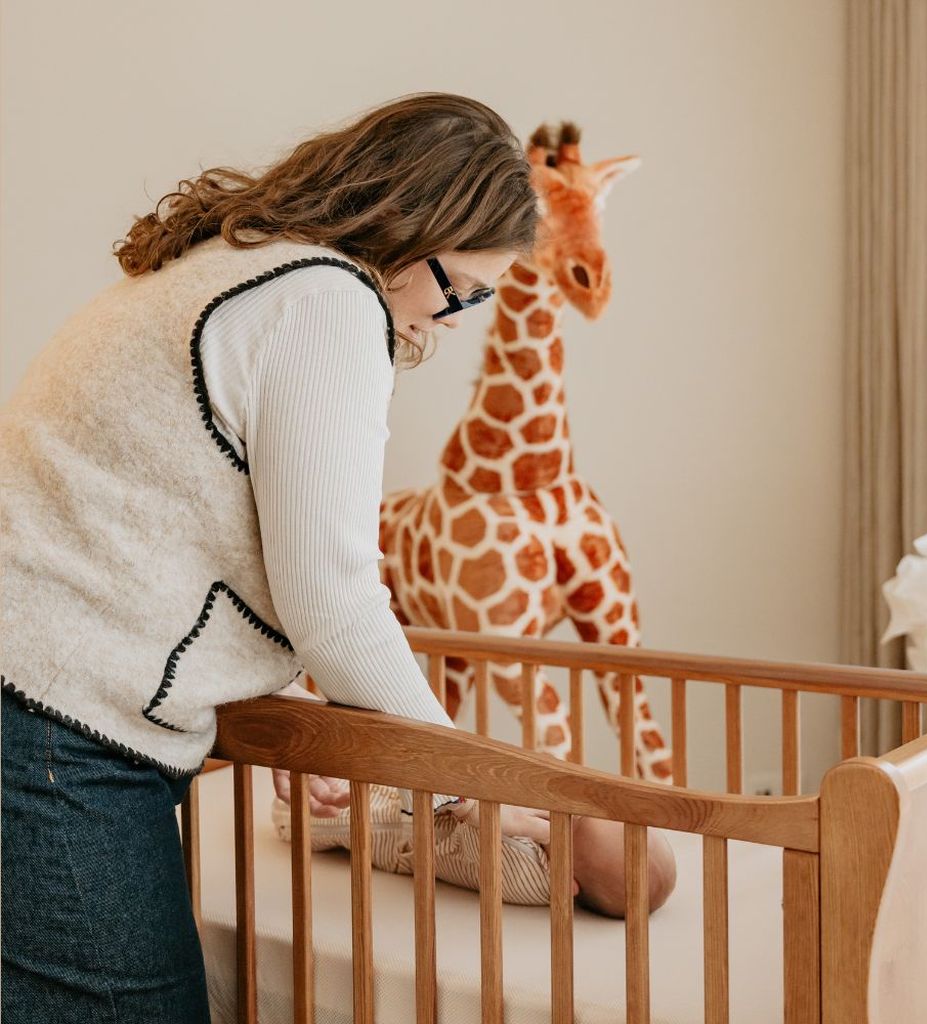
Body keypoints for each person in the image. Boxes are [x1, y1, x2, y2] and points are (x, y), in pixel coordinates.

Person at [0, 92, 545, 1024]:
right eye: (468, 289)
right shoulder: (328, 301)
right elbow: (330, 600)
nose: (458, 320)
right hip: (53, 724)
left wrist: (295, 708)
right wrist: (467, 778)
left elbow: (165, 537)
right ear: (421, 233)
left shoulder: (236, 264)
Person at [270, 681, 679, 918]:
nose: (565, 813)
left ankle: (293, 814)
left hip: (394, 834)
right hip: (419, 803)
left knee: (338, 810)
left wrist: (480, 806)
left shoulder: (529, 879)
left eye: (573, 825)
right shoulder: (551, 846)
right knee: (368, 762)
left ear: (565, 883)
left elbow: (475, 840)